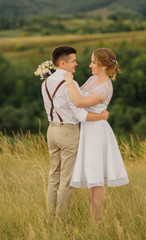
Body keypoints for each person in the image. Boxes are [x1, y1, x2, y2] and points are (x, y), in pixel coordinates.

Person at [41, 46, 109, 217]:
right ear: (63, 63)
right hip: (68, 133)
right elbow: (81, 114)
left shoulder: (46, 82)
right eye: (73, 61)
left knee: (53, 177)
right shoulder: (69, 84)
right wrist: (101, 116)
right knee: (66, 181)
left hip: (51, 130)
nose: (76, 64)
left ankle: (50, 218)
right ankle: (61, 221)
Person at [64, 47, 129, 220]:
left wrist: (69, 80)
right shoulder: (93, 79)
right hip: (88, 130)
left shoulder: (106, 88)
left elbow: (79, 101)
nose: (90, 65)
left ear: (102, 66)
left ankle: (97, 219)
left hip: (97, 133)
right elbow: (76, 95)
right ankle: (95, 217)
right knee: (93, 178)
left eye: (93, 62)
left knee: (98, 179)